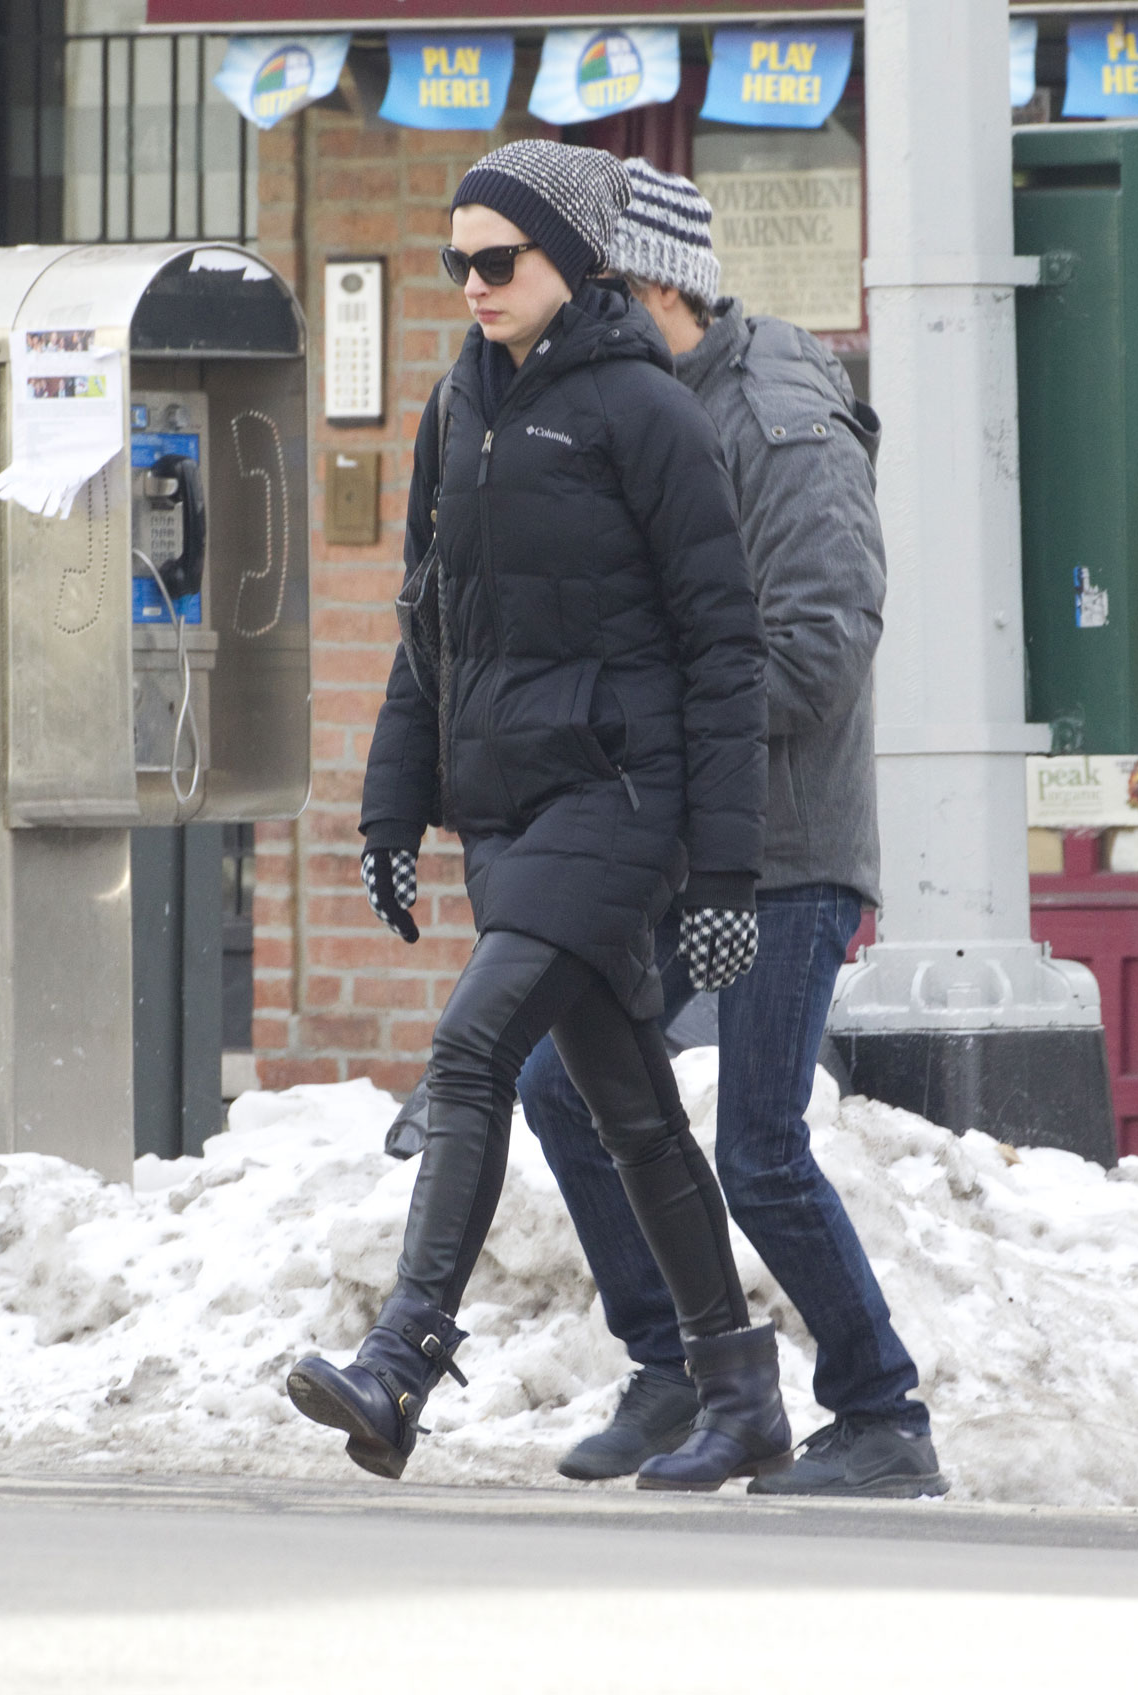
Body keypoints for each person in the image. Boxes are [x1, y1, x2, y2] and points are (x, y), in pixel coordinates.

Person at [286, 140, 793, 1493]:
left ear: (571, 261)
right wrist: (395, 805)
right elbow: (428, 629)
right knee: (634, 1108)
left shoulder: (648, 413)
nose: (471, 284)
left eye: (496, 260)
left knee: (468, 1054)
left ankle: (400, 1361)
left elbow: (725, 649)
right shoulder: (457, 412)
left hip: (622, 804)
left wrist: (729, 869)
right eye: (456, 262)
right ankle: (737, 1389)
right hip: (509, 816)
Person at [516, 159, 948, 1500]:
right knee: (560, 1084)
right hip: (672, 833)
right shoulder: (645, 415)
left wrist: (641, 711)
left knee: (759, 1147)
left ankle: (884, 1416)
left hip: (781, 847)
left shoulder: (775, 423)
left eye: (585, 298)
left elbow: (820, 651)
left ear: (657, 290)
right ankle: (678, 1368)